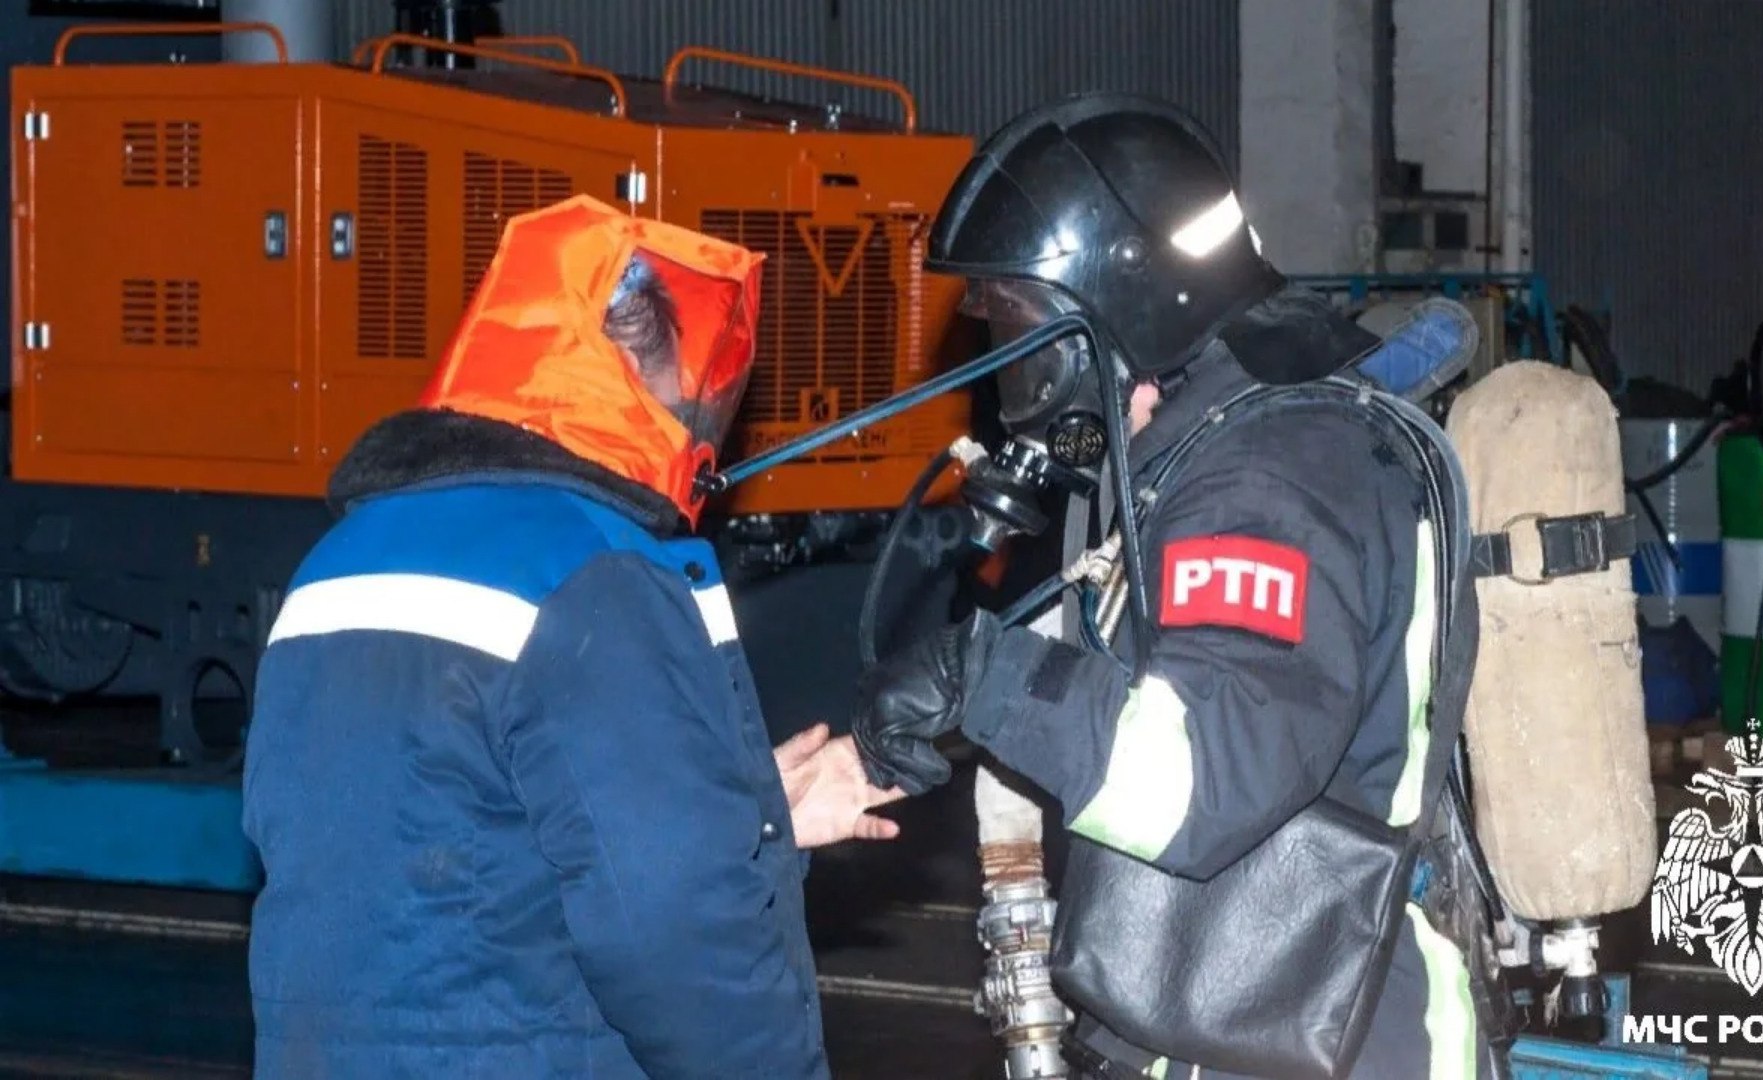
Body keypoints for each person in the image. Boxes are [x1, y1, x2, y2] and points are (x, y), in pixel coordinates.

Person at [849, 95, 1501, 1079]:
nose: (1011, 369)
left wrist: (976, 675)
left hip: (1320, 1035)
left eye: (1024, 325)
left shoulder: (1271, 480)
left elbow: (1202, 774)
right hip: (1240, 1009)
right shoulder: (1211, 438)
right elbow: (1128, 624)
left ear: (1126, 299)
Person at [241, 194, 901, 1079]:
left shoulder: (336, 560)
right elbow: (671, 929)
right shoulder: (595, 572)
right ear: (634, 376)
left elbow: (450, 841)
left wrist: (744, 819)